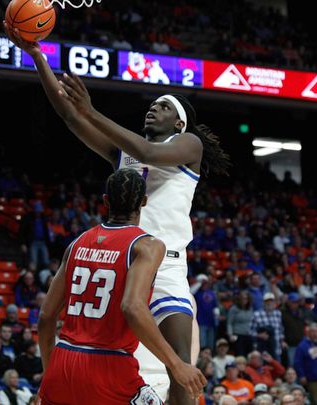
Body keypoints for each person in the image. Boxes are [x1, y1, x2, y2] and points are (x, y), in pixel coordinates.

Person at [5, 27, 230, 405]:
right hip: (125, 264)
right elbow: (69, 116)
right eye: (152, 104)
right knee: (121, 370)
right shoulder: (122, 154)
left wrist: (91, 109)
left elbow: (148, 151)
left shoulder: (187, 145)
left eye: (163, 106)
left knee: (180, 368)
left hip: (168, 268)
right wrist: (38, 57)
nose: (152, 108)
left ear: (178, 123)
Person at [36, 169, 206, 404]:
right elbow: (132, 307)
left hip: (63, 361)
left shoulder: (76, 244)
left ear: (105, 201)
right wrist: (177, 365)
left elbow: (46, 316)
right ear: (144, 202)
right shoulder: (147, 246)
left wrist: (50, 372)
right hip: (110, 365)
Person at [249, 292, 285, 358]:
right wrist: (259, 335)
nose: (270, 303)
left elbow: (280, 329)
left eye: (271, 301)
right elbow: (249, 332)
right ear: (263, 303)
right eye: (267, 301)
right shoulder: (256, 314)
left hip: (276, 349)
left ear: (274, 302)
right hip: (263, 350)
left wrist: (282, 341)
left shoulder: (278, 314)